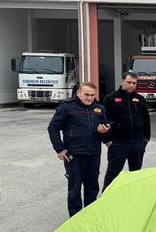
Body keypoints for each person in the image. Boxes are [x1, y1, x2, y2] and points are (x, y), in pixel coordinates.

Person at [47, 82, 111, 217]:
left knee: (92, 187)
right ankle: (75, 218)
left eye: (92, 95)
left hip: (94, 154)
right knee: (75, 189)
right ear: (78, 93)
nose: (89, 98)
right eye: (86, 94)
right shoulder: (67, 107)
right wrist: (60, 149)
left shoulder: (99, 108)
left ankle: (89, 216)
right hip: (74, 154)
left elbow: (105, 129)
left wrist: (103, 131)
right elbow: (53, 128)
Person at [102, 71, 151, 190]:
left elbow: (146, 120)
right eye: (129, 82)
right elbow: (103, 120)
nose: (131, 85)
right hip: (118, 143)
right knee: (113, 173)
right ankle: (107, 197)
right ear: (122, 81)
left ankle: (132, 196)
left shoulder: (140, 99)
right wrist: (107, 140)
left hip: (137, 143)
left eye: (134, 83)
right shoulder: (111, 98)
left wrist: (145, 139)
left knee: (135, 174)